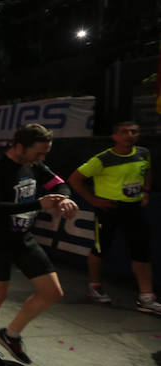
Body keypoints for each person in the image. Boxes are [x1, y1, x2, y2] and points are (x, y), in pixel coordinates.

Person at [0, 124, 79, 366]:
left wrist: (64, 198)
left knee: (52, 292)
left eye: (45, 154)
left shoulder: (34, 166)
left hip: (22, 238)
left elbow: (60, 184)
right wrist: (38, 204)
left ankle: (11, 334)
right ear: (20, 147)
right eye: (39, 152)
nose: (42, 158)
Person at [68, 121, 160, 315]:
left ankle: (146, 298)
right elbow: (75, 179)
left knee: (141, 251)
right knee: (100, 249)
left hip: (134, 209)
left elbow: (147, 171)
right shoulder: (103, 159)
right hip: (109, 209)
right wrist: (93, 200)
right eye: (124, 132)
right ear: (115, 136)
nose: (130, 135)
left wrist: (145, 191)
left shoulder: (143, 153)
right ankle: (94, 287)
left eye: (134, 131)